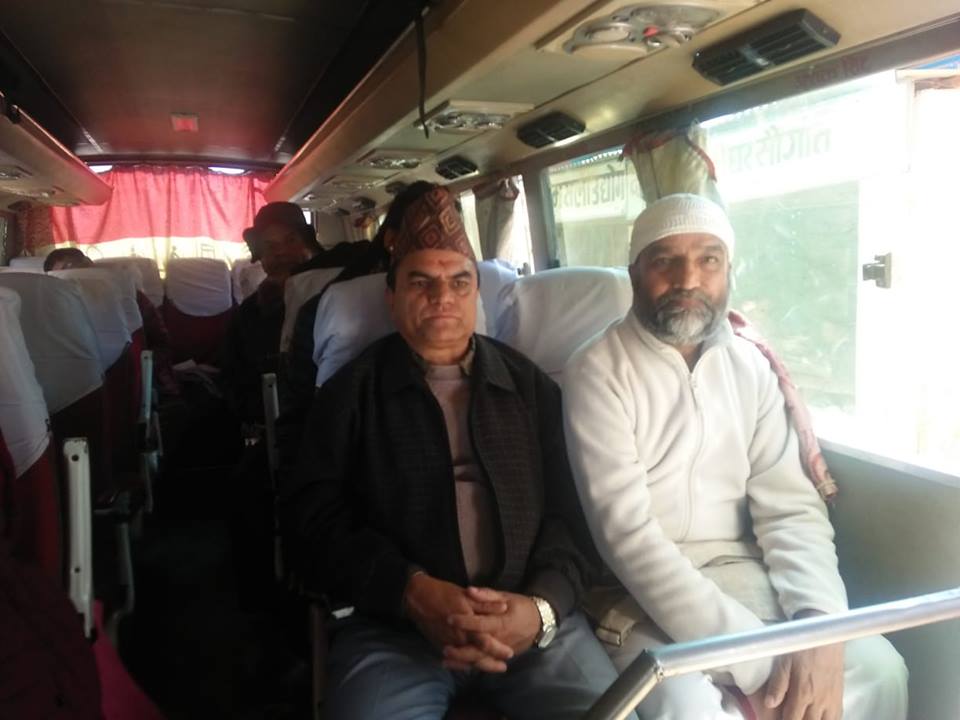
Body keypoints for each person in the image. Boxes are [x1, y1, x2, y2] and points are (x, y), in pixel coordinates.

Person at [282, 187, 626, 720]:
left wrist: (542, 606)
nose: (443, 295)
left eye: (460, 282)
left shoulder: (531, 387)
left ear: (476, 296)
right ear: (392, 298)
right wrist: (409, 590)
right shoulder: (349, 395)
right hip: (394, 628)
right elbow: (312, 519)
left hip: (531, 625)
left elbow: (576, 509)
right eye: (421, 282)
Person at [562, 193, 908, 720]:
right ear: (635, 274)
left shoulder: (750, 367)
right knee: (689, 709)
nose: (688, 279)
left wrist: (819, 627)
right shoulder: (596, 369)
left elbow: (791, 510)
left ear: (728, 271)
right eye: (665, 261)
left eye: (708, 259)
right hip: (635, 597)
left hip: (748, 577)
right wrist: (762, 662)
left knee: (880, 670)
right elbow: (628, 539)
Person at [220, 202, 320, 425]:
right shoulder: (248, 314)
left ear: (308, 245)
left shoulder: (334, 299)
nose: (281, 252)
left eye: (290, 240)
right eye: (270, 245)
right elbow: (232, 378)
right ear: (261, 256)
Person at [43, 247, 179, 395]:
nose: (73, 275)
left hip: (130, 378)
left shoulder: (129, 296)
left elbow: (161, 341)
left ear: (88, 263)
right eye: (61, 274)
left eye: (70, 267)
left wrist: (146, 366)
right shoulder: (53, 308)